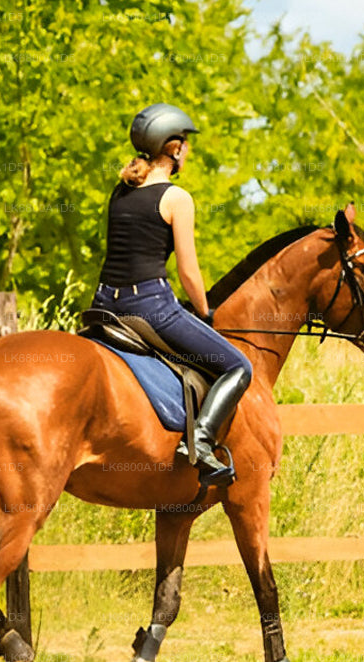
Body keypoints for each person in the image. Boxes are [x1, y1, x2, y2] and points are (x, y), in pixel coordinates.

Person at [92, 102, 252, 483]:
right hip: (149, 307)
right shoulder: (177, 198)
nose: (188, 150)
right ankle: (198, 439)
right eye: (186, 143)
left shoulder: (121, 191)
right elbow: (188, 272)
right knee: (238, 366)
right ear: (174, 147)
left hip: (103, 304)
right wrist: (206, 311)